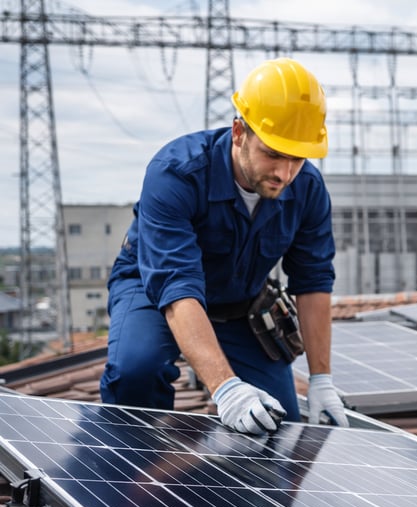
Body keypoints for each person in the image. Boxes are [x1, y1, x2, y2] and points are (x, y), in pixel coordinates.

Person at [100, 57, 347, 435]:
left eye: (297, 158)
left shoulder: (308, 189)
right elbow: (176, 284)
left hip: (240, 302)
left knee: (278, 421)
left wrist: (321, 379)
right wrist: (225, 388)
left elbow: (312, 281)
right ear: (238, 132)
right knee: (137, 370)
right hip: (153, 288)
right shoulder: (176, 174)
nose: (285, 173)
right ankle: (135, 480)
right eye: (273, 153)